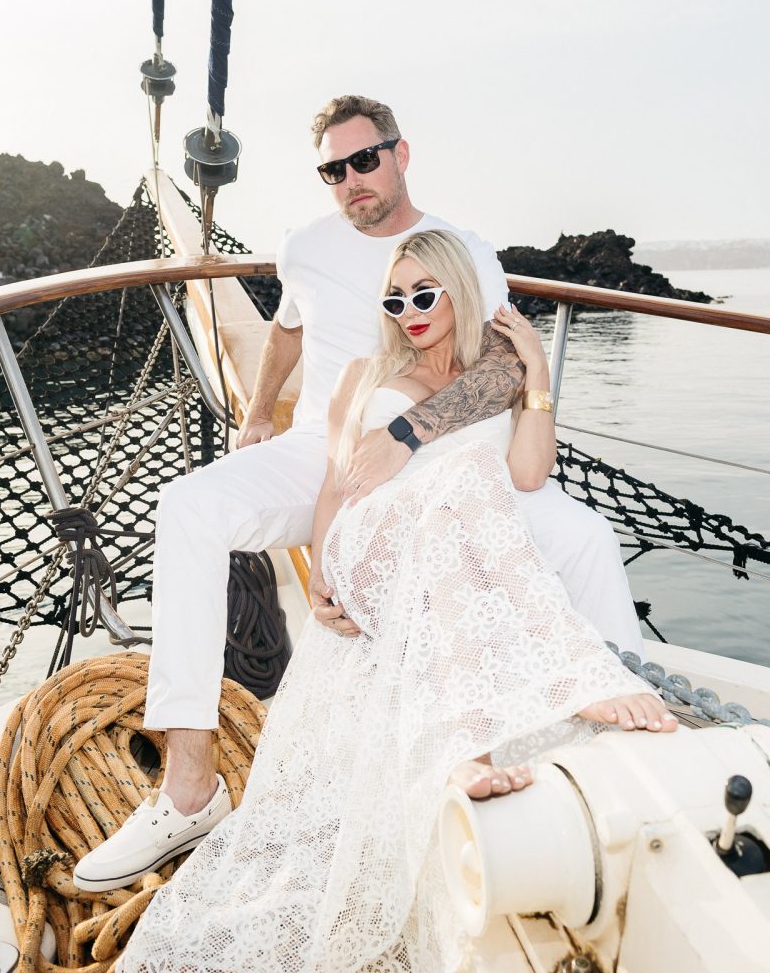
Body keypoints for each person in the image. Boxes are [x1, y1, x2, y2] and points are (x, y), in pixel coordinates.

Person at [74, 95, 644, 894]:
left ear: (401, 154)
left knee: (583, 535)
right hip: (325, 443)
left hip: (441, 452)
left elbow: (506, 363)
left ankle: (627, 722)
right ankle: (189, 788)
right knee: (189, 507)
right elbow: (286, 326)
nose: (351, 181)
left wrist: (407, 434)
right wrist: (252, 419)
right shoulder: (304, 246)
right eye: (332, 170)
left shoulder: (459, 250)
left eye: (364, 160)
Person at [118, 230, 675, 973]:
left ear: (456, 292)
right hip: (371, 538)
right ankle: (486, 733)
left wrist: (537, 368)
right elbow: (332, 485)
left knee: (472, 490)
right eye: (395, 298)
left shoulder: (492, 373)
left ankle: (534, 703)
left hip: (447, 539)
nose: (409, 311)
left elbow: (531, 472)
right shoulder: (364, 372)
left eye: (424, 294)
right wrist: (321, 571)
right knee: (462, 489)